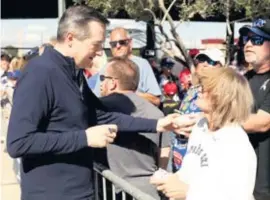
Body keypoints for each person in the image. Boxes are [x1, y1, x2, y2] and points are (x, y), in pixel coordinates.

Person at [6, 6, 197, 200]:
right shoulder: (40, 73)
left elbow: (101, 115)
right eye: (96, 44)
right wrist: (84, 138)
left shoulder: (75, 74)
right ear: (71, 39)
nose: (99, 52)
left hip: (82, 192)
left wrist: (158, 124)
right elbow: (18, 143)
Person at [151, 67, 257, 200]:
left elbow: (238, 196)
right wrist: (170, 180)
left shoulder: (236, 144)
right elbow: (191, 169)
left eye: (205, 88)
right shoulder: (200, 127)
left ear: (222, 97)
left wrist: (189, 193)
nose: (199, 91)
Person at [99, 57, 170, 199]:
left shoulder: (100, 108)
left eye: (102, 78)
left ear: (112, 82)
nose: (100, 83)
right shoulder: (156, 113)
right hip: (149, 190)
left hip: (113, 189)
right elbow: (164, 150)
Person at [240, 18, 270, 200]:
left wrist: (217, 122)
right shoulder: (242, 80)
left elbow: (262, 122)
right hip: (243, 180)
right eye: (247, 39)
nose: (248, 44)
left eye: (257, 40)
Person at [108, 27, 162, 106]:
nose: (118, 46)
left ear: (130, 43)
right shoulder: (106, 67)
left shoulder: (142, 65)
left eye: (122, 42)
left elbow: (156, 100)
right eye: (113, 44)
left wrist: (129, 95)